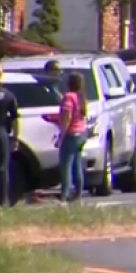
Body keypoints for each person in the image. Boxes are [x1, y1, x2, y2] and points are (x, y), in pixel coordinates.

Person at [55, 72, 87, 202]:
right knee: (77, 164)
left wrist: (61, 136)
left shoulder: (68, 97)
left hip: (71, 133)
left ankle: (65, 194)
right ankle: (78, 193)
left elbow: (67, 118)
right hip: (81, 132)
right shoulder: (81, 97)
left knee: (66, 165)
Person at [0, 64, 19, 206]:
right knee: (2, 169)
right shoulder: (8, 95)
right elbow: (15, 118)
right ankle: (4, 201)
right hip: (1, 133)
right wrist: (15, 137)